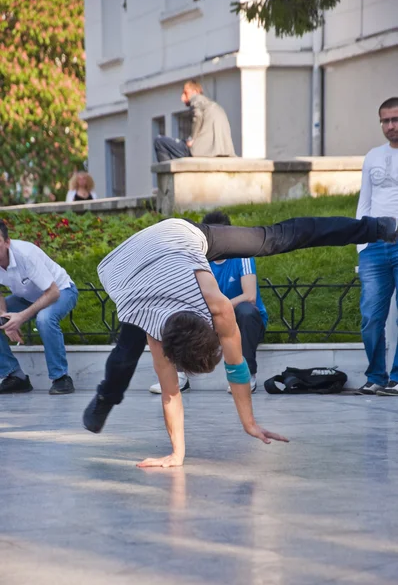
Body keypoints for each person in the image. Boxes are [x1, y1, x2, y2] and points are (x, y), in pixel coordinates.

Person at [83, 213, 398, 468]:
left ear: (211, 325)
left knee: (274, 237)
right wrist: (176, 455)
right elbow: (171, 394)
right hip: (126, 266)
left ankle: (378, 227)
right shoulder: (152, 327)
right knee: (125, 353)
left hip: (176, 237)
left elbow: (236, 366)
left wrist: (249, 423)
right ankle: (105, 399)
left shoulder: (216, 303)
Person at [149, 211, 268, 395]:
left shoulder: (242, 255)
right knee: (179, 313)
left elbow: (249, 295)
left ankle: (248, 376)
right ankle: (179, 377)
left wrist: (221, 307)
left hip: (242, 321)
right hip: (211, 318)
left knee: (247, 310)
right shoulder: (199, 258)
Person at [0, 220, 78, 394]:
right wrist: (5, 317)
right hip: (27, 297)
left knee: (45, 319)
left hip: (62, 291)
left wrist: (21, 317)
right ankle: (15, 376)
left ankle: (61, 378)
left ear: (7, 242)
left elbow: (53, 292)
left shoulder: (25, 254)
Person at [355, 97, 398, 396]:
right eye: (385, 121)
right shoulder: (372, 156)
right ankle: (377, 377)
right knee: (371, 317)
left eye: (395, 119)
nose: (391, 126)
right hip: (374, 246)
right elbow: (364, 202)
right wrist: (361, 244)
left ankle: (396, 378)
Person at [154, 79, 235, 162]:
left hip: (201, 151)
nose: (182, 98)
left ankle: (167, 171)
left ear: (195, 91)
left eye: (186, 93)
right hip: (222, 151)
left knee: (159, 141)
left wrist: (192, 138)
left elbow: (197, 116)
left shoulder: (197, 99)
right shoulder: (214, 106)